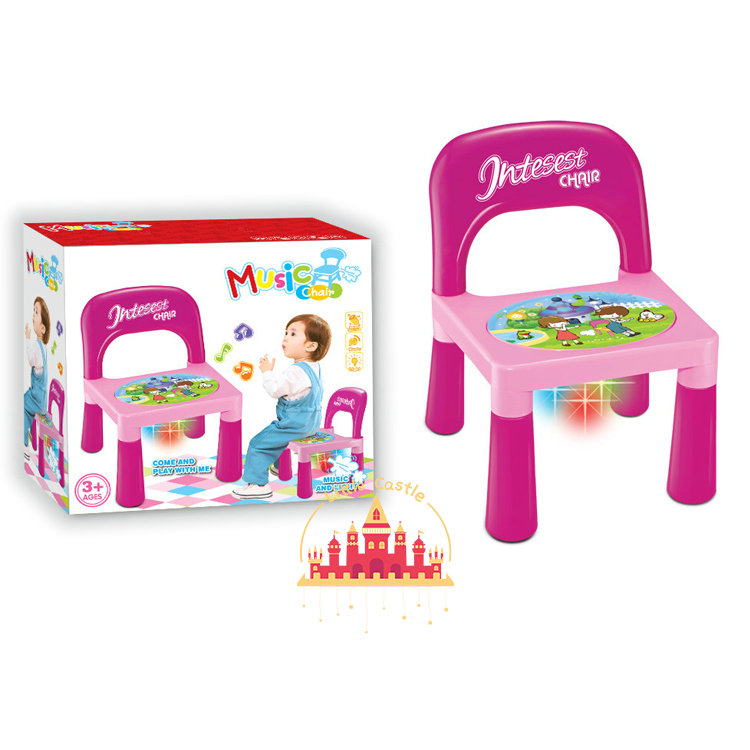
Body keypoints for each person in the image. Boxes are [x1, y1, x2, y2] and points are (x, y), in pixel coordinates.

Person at [232, 314, 331, 499]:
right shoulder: (315, 367)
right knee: (274, 435)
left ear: (310, 346)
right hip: (311, 424)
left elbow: (275, 390)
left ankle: (259, 485)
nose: (285, 338)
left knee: (258, 444)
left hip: (294, 425)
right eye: (286, 332)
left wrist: (267, 372)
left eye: (293, 334)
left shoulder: (295, 371)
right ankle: (280, 467)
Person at [24, 296, 51, 458]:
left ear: (42, 328)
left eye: (36, 312)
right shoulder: (43, 347)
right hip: (42, 400)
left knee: (22, 405)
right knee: (26, 407)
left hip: (36, 399)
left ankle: (23, 444)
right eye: (33, 311)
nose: (33, 315)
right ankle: (28, 437)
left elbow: (31, 360)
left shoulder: (35, 346)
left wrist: (27, 339)